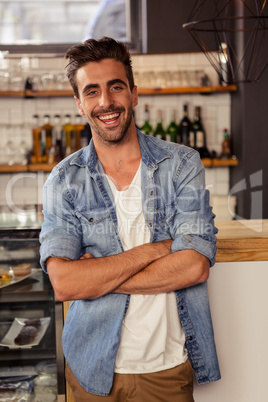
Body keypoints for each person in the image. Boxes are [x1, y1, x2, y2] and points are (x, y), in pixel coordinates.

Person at [40, 37, 221, 401]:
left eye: (115, 87)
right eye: (91, 92)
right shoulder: (63, 180)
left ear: (133, 94)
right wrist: (157, 250)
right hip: (90, 369)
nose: (105, 102)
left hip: (166, 370)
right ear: (79, 104)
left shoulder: (182, 165)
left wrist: (97, 276)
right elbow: (64, 283)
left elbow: (193, 267)